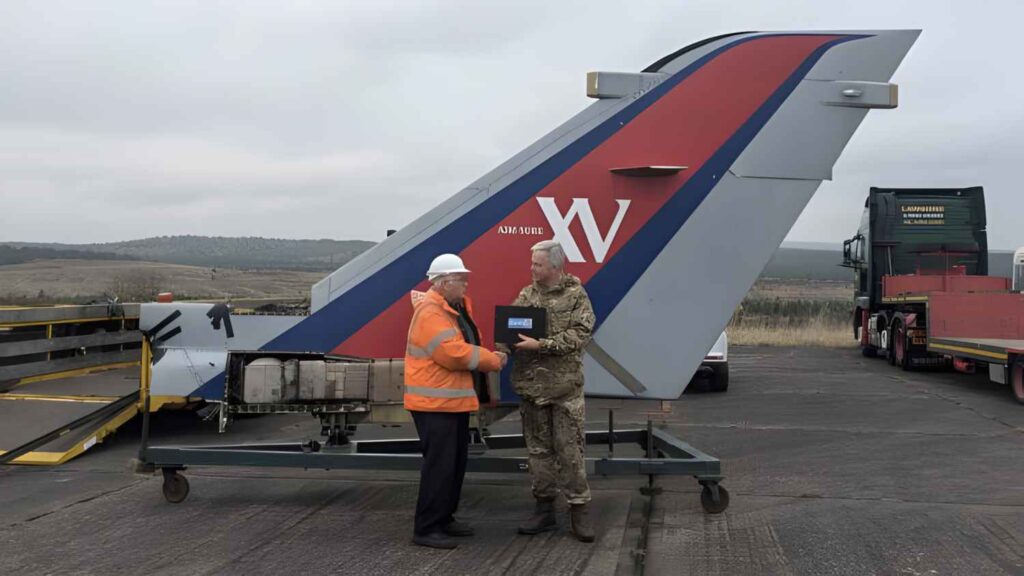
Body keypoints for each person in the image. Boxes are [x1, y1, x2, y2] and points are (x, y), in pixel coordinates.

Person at [404, 253, 508, 549]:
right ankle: (426, 528)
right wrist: (491, 360)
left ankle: (444, 519)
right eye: (461, 279)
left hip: (450, 403)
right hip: (435, 405)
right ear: (444, 282)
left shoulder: (451, 308)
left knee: (454, 464)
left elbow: (461, 347)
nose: (466, 284)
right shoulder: (431, 313)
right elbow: (452, 353)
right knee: (440, 467)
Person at [503, 239, 596, 543]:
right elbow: (508, 329)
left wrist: (542, 345)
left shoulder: (575, 295)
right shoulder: (527, 294)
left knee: (569, 451)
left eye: (537, 264)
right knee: (539, 453)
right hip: (532, 389)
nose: (531, 269)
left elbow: (581, 334)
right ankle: (544, 510)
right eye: (532, 263)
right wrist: (500, 350)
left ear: (555, 266)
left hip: (564, 390)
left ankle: (579, 510)